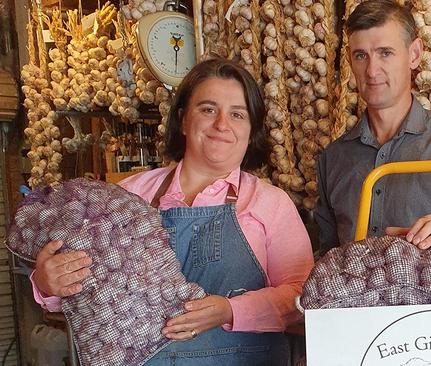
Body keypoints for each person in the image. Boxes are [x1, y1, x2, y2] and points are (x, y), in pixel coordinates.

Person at [30, 58, 314, 365]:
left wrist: (231, 310)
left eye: (237, 114)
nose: (222, 124)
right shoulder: (126, 196)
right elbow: (85, 292)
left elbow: (303, 298)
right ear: (183, 119)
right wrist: (48, 284)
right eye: (208, 109)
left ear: (251, 129)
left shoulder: (270, 203)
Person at [316, 0, 431, 258]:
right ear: (350, 61)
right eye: (360, 55)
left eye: (385, 53)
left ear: (414, 54)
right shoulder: (333, 159)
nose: (372, 70)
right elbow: (328, 260)